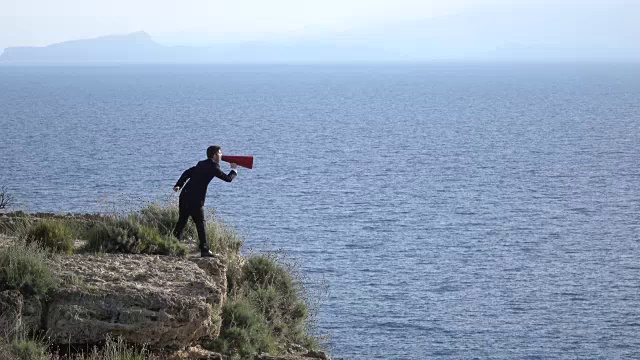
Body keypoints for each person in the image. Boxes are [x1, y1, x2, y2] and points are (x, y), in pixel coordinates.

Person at [173, 145, 237, 257]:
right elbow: (227, 178)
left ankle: (172, 246)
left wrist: (179, 185)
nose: (221, 155)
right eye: (220, 153)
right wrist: (234, 169)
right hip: (195, 200)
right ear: (214, 155)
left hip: (184, 196)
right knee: (201, 224)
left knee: (181, 222)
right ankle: (204, 250)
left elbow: (188, 172)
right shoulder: (213, 166)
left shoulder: (201, 164)